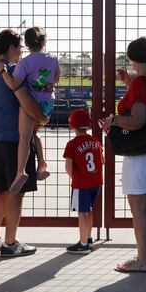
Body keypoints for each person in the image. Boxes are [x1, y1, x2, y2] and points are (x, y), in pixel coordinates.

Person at [100, 37, 146, 273]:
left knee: (138, 208)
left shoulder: (141, 83)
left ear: (133, 57)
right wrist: (129, 82)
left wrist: (113, 120)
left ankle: (142, 261)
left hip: (141, 154)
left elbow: (139, 120)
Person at [0, 29, 48, 257]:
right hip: (15, 138)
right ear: (11, 47)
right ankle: (10, 243)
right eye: (20, 46)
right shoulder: (11, 71)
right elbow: (25, 99)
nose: (22, 51)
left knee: (2, 189)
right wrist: (40, 117)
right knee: (16, 191)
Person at [0, 26, 59, 194]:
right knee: (34, 134)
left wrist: (2, 71)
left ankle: (20, 172)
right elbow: (57, 78)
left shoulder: (25, 62)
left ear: (27, 45)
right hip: (48, 104)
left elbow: (14, 85)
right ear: (44, 42)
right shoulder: (53, 58)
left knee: (24, 137)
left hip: (31, 104)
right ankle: (42, 163)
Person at [63, 109, 103, 254]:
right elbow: (101, 162)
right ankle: (88, 236)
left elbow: (68, 167)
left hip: (81, 184)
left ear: (72, 126)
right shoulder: (95, 142)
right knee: (89, 211)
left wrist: (76, 178)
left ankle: (83, 244)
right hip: (96, 183)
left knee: (82, 212)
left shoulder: (72, 144)